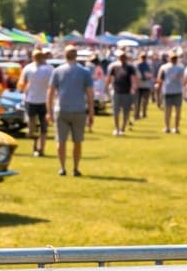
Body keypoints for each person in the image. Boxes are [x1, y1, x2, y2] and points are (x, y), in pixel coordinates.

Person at [47, 44, 95, 177]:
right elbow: (90, 94)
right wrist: (91, 112)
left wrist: (49, 110)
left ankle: (62, 167)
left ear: (64, 55)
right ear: (76, 55)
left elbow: (50, 92)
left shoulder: (57, 71)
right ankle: (75, 168)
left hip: (61, 109)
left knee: (60, 141)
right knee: (77, 141)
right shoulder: (84, 72)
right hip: (79, 109)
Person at [18, 48, 53, 157]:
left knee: (35, 126)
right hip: (40, 100)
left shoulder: (29, 68)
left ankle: (37, 146)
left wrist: (23, 89)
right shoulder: (49, 69)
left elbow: (21, 84)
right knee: (41, 127)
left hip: (34, 100)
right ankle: (39, 147)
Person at [106, 47, 138, 135]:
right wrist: (108, 88)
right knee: (116, 111)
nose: (122, 58)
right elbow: (110, 78)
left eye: (123, 57)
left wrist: (133, 88)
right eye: (120, 57)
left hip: (126, 91)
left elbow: (133, 79)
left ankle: (122, 128)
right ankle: (116, 128)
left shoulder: (130, 68)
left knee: (126, 111)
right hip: (116, 91)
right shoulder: (114, 67)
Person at [156, 50, 185, 133]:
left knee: (177, 111)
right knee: (167, 111)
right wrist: (159, 89)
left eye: (175, 58)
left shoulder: (180, 67)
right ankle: (167, 127)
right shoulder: (164, 67)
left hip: (177, 91)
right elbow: (160, 79)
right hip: (167, 91)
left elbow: (183, 79)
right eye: (172, 58)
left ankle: (176, 127)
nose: (174, 59)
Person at [135, 51, 154, 120]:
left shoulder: (148, 65)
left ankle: (143, 113)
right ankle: (138, 114)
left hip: (145, 85)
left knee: (144, 101)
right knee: (138, 101)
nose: (143, 58)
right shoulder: (137, 65)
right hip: (139, 85)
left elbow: (151, 75)